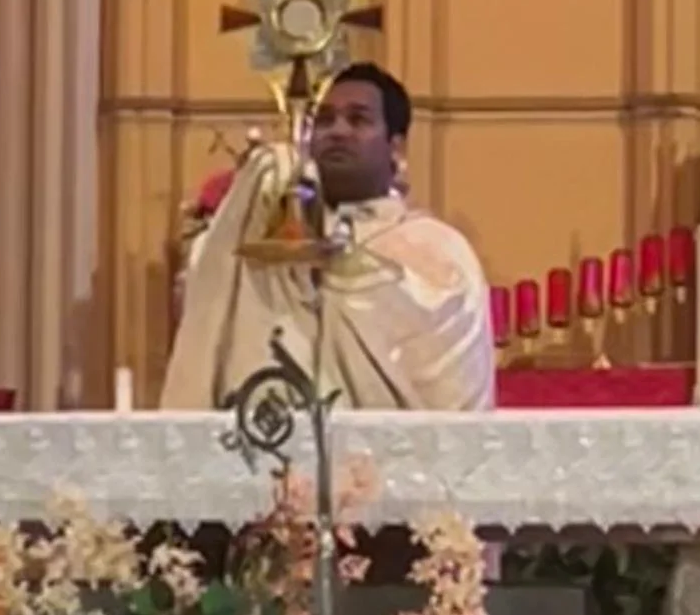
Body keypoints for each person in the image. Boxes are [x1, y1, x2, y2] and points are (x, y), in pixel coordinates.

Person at [161, 62, 494, 411]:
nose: (337, 131)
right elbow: (213, 291)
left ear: (396, 146)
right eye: (324, 120)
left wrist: (339, 272)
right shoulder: (269, 242)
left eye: (358, 119)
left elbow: (452, 402)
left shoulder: (436, 250)